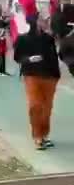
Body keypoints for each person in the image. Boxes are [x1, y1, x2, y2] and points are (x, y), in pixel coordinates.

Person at [13, 17, 60, 150]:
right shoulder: (23, 39)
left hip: (50, 76)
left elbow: (54, 57)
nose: (46, 22)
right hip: (32, 75)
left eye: (46, 20)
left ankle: (44, 135)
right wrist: (29, 59)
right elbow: (17, 57)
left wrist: (56, 75)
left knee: (47, 108)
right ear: (35, 23)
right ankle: (37, 136)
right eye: (42, 20)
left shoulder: (49, 38)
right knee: (35, 105)